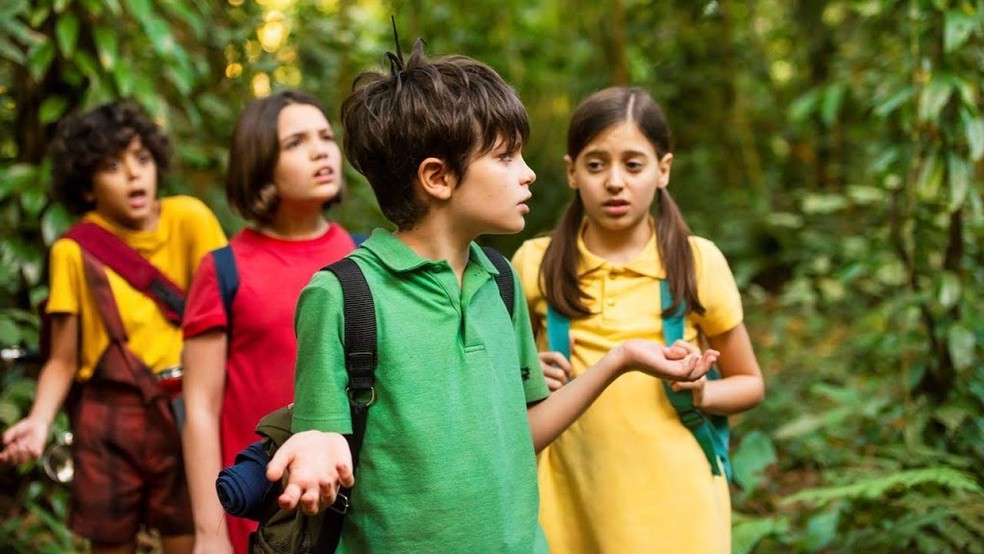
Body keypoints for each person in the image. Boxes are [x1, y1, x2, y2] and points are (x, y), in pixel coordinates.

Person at [261, 41, 720, 552]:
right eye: (505, 157)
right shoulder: (343, 295)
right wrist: (315, 445)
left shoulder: (499, 281)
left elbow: (523, 434)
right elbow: (321, 441)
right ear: (438, 177)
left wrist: (621, 359)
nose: (527, 173)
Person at [511, 86, 766, 553]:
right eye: (595, 164)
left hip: (680, 507)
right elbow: (497, 391)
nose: (614, 182)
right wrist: (523, 377)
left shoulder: (696, 262)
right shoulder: (535, 264)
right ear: (571, 172)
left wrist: (703, 389)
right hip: (571, 502)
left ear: (662, 170)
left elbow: (749, 382)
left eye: (633, 164)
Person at [0, 100, 227, 554]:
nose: (133, 174)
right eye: (112, 165)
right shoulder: (73, 250)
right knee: (109, 542)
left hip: (184, 410)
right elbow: (63, 358)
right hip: (108, 417)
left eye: (142, 159)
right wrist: (39, 422)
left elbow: (229, 313)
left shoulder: (190, 218)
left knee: (190, 534)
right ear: (87, 186)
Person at [180, 90, 358, 554]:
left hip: (347, 503)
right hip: (256, 501)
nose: (321, 150)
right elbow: (200, 408)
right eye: (296, 142)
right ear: (260, 165)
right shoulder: (224, 270)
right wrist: (209, 532)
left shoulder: (364, 260)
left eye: (325, 136)